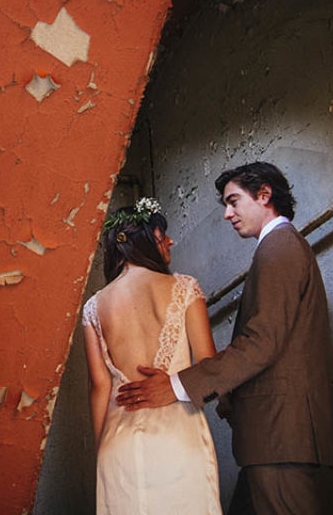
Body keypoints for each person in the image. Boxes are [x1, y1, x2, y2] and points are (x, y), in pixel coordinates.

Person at [115, 162, 333, 514]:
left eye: (233, 201)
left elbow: (262, 342)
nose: (227, 214)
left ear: (264, 194)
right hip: (270, 433)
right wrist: (230, 396)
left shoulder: (279, 247)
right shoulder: (279, 247)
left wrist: (175, 386)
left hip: (279, 434)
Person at [83, 197, 222, 514]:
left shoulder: (93, 307)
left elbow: (100, 387)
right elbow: (209, 369)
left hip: (117, 445)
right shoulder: (185, 287)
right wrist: (175, 384)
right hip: (177, 435)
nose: (170, 241)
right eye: (162, 235)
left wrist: (102, 447)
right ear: (144, 241)